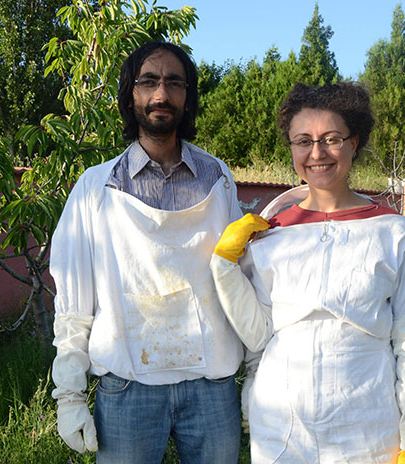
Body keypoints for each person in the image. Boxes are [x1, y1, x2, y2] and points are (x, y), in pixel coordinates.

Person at [210, 82, 405, 464]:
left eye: (331, 138)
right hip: (282, 424)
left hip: (366, 422)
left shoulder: (391, 231)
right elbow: (257, 334)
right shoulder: (273, 229)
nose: (316, 153)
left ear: (355, 142)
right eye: (303, 141)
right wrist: (224, 267)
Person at [50, 41, 244, 464]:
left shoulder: (218, 179)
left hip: (211, 384)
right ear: (130, 94)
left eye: (174, 82)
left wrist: (261, 367)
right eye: (149, 82)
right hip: (126, 386)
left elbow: (241, 277)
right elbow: (74, 297)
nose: (161, 94)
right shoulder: (96, 188)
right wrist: (68, 392)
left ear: (188, 96)